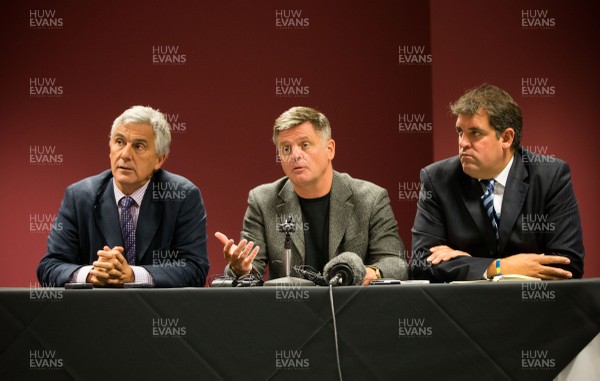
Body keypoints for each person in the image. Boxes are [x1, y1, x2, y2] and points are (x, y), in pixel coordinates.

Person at [215, 106, 407, 285]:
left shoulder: (371, 198)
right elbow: (249, 270)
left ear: (330, 149)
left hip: (353, 311)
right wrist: (239, 268)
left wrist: (370, 272)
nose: (295, 155)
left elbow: (395, 262)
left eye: (305, 145)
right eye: (286, 148)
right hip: (290, 313)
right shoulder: (263, 201)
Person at [411, 84, 584, 282]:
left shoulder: (550, 177)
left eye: (475, 133)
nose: (462, 143)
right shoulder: (438, 179)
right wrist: (496, 267)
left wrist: (467, 264)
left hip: (533, 306)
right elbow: (420, 263)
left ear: (506, 138)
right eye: (460, 132)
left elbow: (567, 265)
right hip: (465, 308)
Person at [37, 106, 209, 287]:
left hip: (156, 311)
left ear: (159, 159)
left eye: (138, 146)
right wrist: (92, 274)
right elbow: (49, 267)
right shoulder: (78, 196)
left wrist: (133, 275)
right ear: (110, 148)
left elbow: (194, 269)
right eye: (119, 142)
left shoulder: (182, 197)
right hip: (95, 310)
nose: (125, 155)